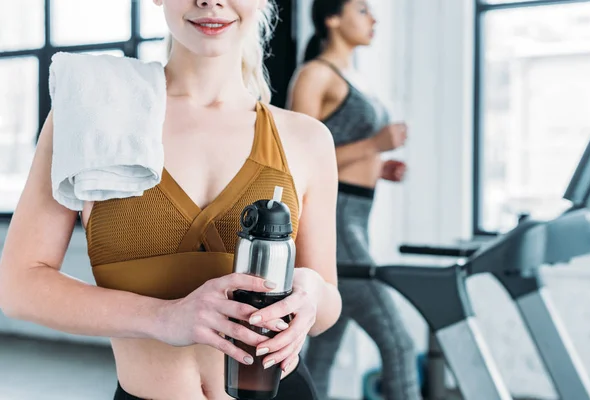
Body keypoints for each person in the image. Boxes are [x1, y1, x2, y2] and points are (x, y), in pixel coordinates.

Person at [0, 1, 342, 399]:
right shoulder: (91, 120)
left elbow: (328, 304)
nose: (210, 1)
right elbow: (18, 288)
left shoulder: (306, 138)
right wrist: (164, 317)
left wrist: (312, 292)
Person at [287, 1, 422, 399]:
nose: (374, 18)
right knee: (400, 344)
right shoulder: (314, 75)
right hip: (336, 221)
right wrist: (376, 144)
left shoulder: (353, 75)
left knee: (324, 349)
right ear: (332, 18)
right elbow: (297, 161)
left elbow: (340, 152)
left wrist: (378, 166)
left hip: (356, 217)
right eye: (362, 9)